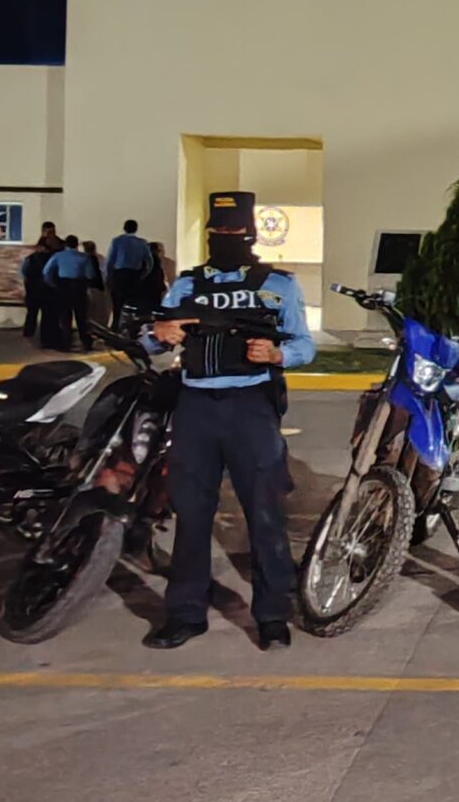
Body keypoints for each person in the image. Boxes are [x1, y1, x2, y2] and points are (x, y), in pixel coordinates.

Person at [140, 192, 315, 651]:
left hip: (251, 405)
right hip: (195, 406)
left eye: (234, 231)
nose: (226, 237)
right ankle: (185, 614)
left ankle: (273, 615)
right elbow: (151, 340)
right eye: (218, 231)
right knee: (191, 515)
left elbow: (304, 344)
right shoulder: (186, 285)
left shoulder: (278, 285)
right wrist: (158, 334)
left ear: (250, 235)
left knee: (265, 513)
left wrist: (277, 354)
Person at [41, 235, 97, 350]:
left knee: (65, 318)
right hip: (79, 288)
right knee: (81, 317)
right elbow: (90, 275)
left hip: (63, 287)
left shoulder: (58, 256)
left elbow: (46, 271)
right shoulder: (85, 257)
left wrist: (52, 284)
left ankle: (66, 343)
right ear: (76, 245)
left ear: (66, 244)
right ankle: (86, 342)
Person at [108, 220, 156, 316]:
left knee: (118, 301)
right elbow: (150, 262)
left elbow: (111, 259)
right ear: (136, 229)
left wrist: (109, 275)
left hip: (120, 274)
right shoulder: (142, 243)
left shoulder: (117, 241)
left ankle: (117, 321)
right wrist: (143, 274)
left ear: (124, 228)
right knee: (133, 302)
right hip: (135, 275)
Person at [20, 235, 59, 343]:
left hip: (33, 290)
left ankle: (28, 333)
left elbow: (23, 273)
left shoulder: (30, 258)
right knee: (47, 315)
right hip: (48, 290)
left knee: (32, 313)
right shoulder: (54, 258)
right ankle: (45, 337)